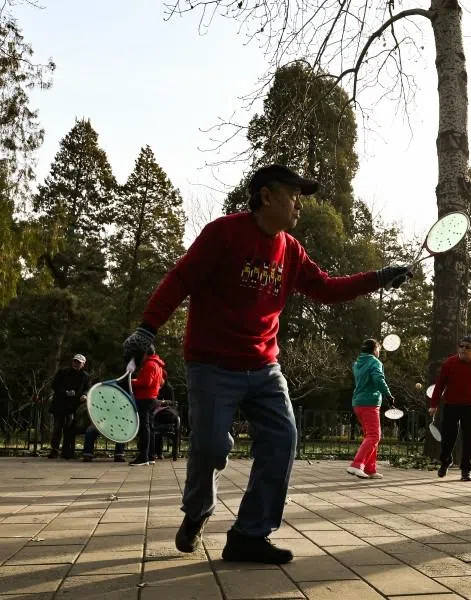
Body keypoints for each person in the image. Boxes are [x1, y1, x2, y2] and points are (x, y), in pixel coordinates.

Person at [122, 164, 412, 565]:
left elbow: (327, 289)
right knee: (208, 448)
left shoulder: (290, 250)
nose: (299, 205)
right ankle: (198, 511)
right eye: (292, 195)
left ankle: (249, 534)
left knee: (282, 440)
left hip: (264, 367)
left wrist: (379, 277)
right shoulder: (223, 233)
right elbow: (180, 279)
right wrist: (147, 329)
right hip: (212, 363)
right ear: (265, 196)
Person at [429, 335, 471, 482]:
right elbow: (440, 384)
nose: (463, 349)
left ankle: (466, 470)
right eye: (461, 346)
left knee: (469, 438)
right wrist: (434, 405)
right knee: (449, 436)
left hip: (470, 405)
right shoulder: (449, 363)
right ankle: (445, 461)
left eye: (467, 347)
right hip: (451, 404)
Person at [347, 338, 394, 480]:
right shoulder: (375, 362)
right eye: (378, 349)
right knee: (374, 435)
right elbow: (378, 380)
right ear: (374, 350)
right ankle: (357, 465)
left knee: (370, 436)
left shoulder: (357, 364)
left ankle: (370, 469)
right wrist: (388, 395)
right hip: (370, 403)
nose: (379, 352)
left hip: (358, 403)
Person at [48, 354, 91, 459]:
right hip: (60, 404)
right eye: (75, 361)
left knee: (69, 429)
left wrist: (84, 395)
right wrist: (65, 392)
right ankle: (54, 450)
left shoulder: (85, 376)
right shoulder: (63, 372)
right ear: (72, 361)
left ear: (83, 364)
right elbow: (54, 385)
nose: (76, 364)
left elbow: (87, 388)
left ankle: (67, 451)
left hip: (74, 406)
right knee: (57, 428)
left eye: (79, 362)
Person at [129, 347, 166, 466]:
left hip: (145, 398)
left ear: (145, 353)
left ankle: (143, 457)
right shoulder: (158, 365)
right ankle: (150, 456)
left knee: (144, 428)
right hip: (152, 398)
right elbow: (158, 382)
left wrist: (132, 381)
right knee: (149, 427)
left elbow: (146, 382)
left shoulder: (150, 364)